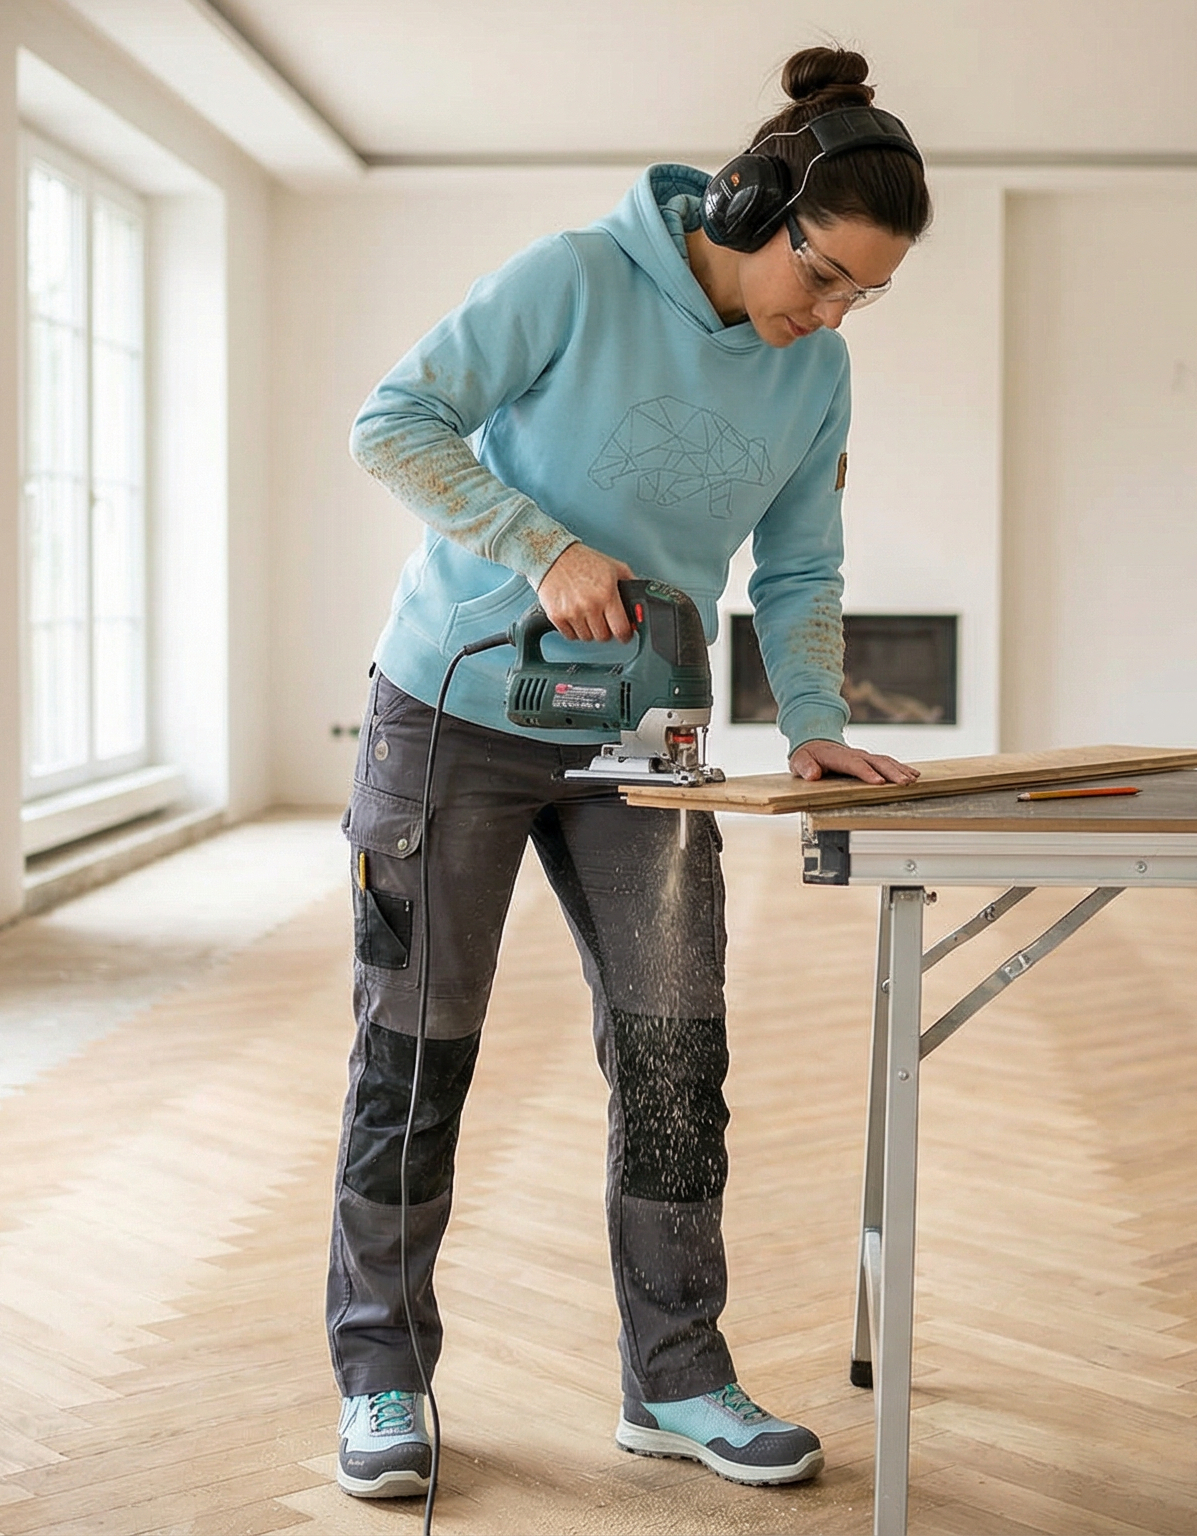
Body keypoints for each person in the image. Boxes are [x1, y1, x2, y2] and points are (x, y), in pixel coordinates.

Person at [326, 45, 932, 1502]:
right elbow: (392, 424)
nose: (836, 313)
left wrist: (809, 717)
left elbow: (801, 566)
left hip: (640, 741)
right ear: (750, 206)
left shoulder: (818, 375)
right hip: (454, 711)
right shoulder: (577, 278)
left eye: (866, 295)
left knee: (674, 1061)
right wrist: (543, 546)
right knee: (417, 1055)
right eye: (828, 275)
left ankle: (677, 1380)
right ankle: (383, 1376)